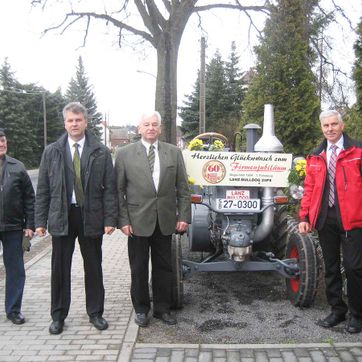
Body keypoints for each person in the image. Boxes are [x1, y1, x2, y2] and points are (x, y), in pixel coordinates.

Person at [35, 102, 117, 335]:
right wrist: (40, 222)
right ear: (65, 123)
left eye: (78, 120)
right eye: (70, 120)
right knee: (60, 268)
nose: (74, 124)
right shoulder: (52, 151)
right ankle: (58, 316)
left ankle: (95, 313)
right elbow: (43, 190)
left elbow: (110, 189)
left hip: (91, 216)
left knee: (93, 267)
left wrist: (110, 219)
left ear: (85, 122)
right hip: (62, 216)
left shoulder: (100, 151)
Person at [115, 111, 191, 327]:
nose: (150, 128)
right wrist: (123, 220)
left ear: (160, 128)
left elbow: (183, 188)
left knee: (164, 267)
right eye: (146, 124)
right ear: (139, 128)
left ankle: (162, 309)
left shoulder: (173, 153)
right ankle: (141, 309)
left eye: (154, 125)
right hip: (136, 221)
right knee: (138, 268)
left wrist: (184, 215)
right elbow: (118, 191)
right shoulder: (124, 154)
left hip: (165, 219)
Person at [298, 110, 362, 334]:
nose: (330, 129)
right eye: (326, 126)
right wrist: (305, 216)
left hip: (353, 220)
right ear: (322, 128)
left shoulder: (357, 151)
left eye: (334, 124)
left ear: (342, 126)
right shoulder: (316, 156)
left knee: (354, 268)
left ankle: (357, 315)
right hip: (326, 219)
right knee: (331, 267)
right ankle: (337, 310)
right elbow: (309, 189)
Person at [0, 128, 35, 325]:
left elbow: (30, 198)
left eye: (3, 141)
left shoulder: (18, 167)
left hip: (14, 227)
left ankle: (13, 310)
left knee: (15, 270)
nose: (2, 144)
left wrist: (30, 224)